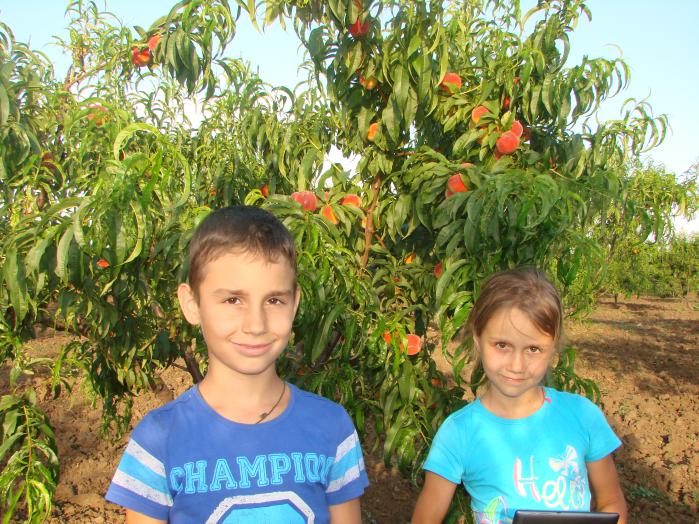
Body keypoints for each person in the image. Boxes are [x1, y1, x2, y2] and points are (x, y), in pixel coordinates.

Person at [105, 206, 368, 523]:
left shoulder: (332, 428)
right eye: (233, 300)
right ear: (192, 304)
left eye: (274, 300)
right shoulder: (158, 441)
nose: (256, 325)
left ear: (294, 303)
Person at [412, 267, 627, 524]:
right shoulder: (460, 432)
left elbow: (611, 500)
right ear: (478, 340)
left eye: (533, 349)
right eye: (502, 345)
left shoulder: (582, 416)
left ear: (553, 348)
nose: (517, 365)